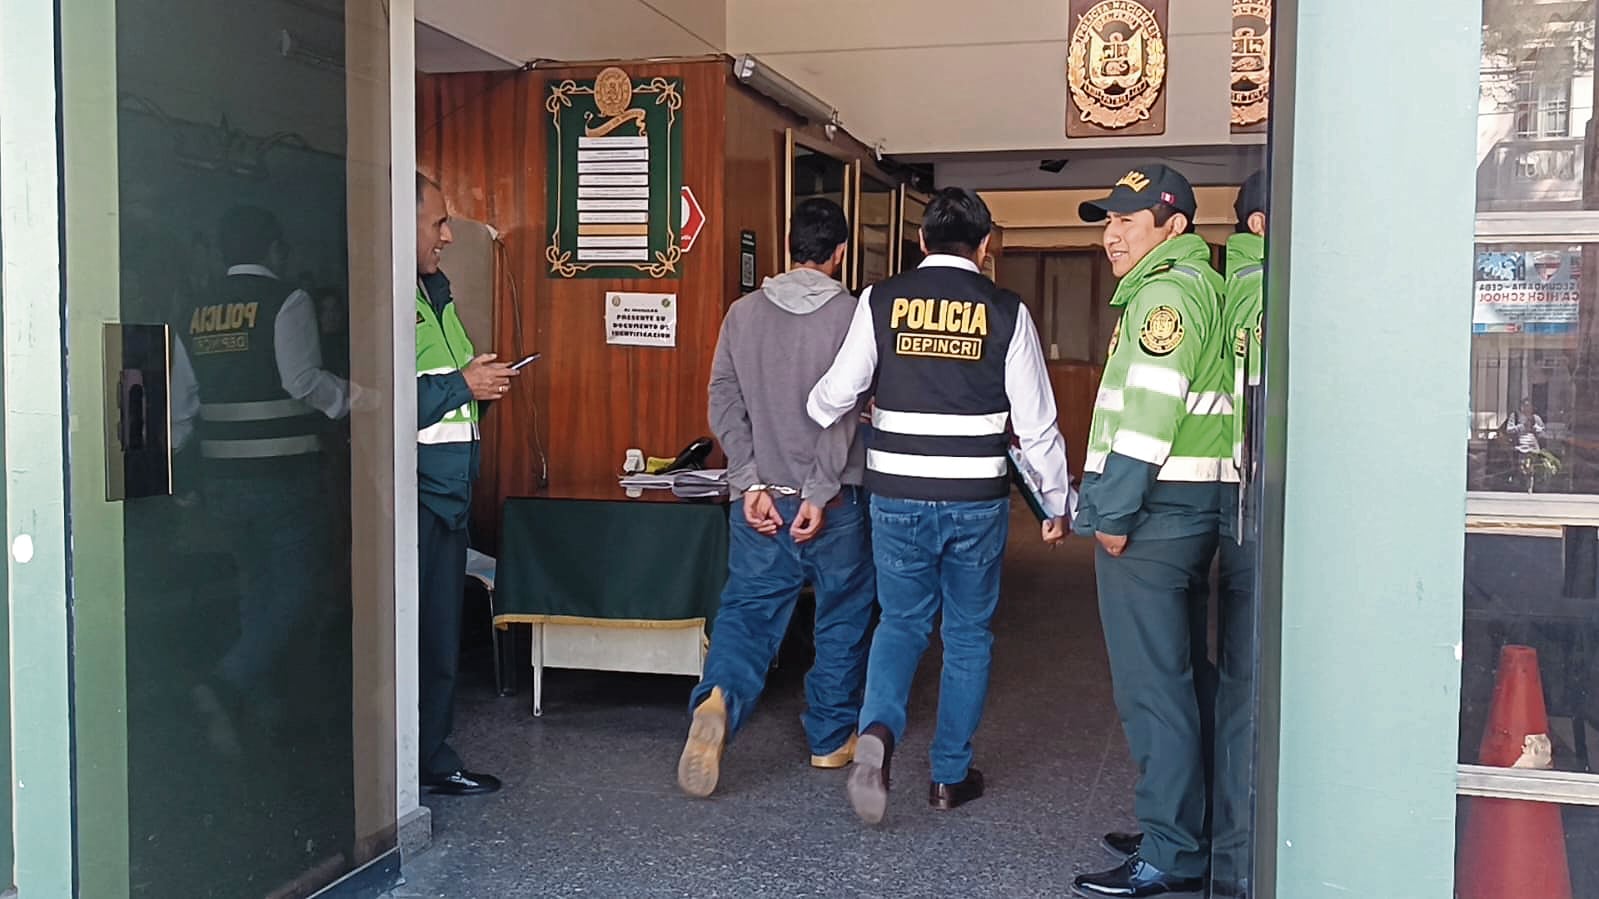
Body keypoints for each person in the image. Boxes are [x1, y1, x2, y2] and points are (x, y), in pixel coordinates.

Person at [808, 187, 1072, 826]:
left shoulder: (880, 300)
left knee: (900, 622)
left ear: (921, 241)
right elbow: (1036, 425)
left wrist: (831, 406)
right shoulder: (1007, 311)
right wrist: (1056, 502)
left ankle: (878, 732)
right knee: (967, 634)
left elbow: (833, 396)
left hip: (895, 494)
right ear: (984, 247)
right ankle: (949, 776)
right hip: (975, 499)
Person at [675, 198, 877, 798]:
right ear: (840, 252)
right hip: (834, 502)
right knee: (842, 613)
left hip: (760, 501)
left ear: (787, 246)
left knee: (747, 611)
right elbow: (844, 412)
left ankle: (717, 700)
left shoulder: (742, 314)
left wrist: (749, 480)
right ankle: (829, 738)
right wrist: (819, 489)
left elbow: (723, 399)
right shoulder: (854, 316)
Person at [1071, 165, 1231, 898]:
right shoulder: (1196, 285)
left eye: (1127, 221)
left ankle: (1172, 850)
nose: (1112, 234)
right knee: (1183, 680)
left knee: (1153, 689)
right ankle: (1186, 828)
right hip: (1186, 512)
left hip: (1153, 518)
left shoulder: (1164, 295)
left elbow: (1148, 415)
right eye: (1107, 221)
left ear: (1174, 226)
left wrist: (1112, 513)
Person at [186, 205, 364, 753]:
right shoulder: (286, 299)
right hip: (284, 474)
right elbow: (302, 380)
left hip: (222, 476)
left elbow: (182, 403)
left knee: (255, 587)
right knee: (298, 586)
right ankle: (228, 681)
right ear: (275, 250)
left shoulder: (195, 308)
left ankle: (254, 706)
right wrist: (361, 398)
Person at [415, 171, 517, 796]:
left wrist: (482, 385)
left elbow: (449, 392)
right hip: (410, 495)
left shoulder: (437, 295)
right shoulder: (381, 300)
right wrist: (462, 384)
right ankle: (409, 765)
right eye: (437, 223)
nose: (448, 235)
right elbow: (376, 398)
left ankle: (433, 756)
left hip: (450, 493)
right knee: (414, 639)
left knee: (440, 637)